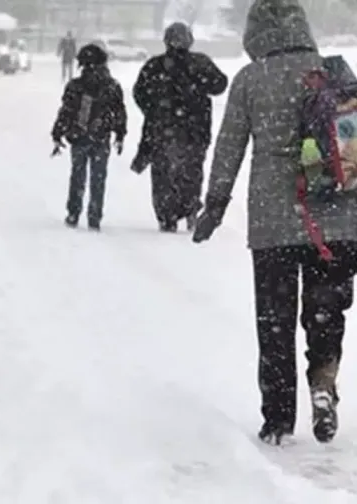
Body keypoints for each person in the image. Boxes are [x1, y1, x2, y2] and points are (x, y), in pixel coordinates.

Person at [192, 0, 357, 446]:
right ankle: (324, 382)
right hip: (338, 220)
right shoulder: (334, 71)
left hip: (273, 222)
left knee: (276, 321)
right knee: (326, 313)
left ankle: (279, 420)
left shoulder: (251, 79)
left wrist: (215, 205)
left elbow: (229, 148)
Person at [132, 22, 227, 232]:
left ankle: (167, 216)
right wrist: (199, 85)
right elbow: (220, 84)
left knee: (163, 175)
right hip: (195, 131)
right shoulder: (200, 63)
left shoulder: (154, 66)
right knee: (191, 173)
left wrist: (155, 110)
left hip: (162, 131)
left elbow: (139, 93)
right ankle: (190, 207)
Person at [51, 43, 127, 231]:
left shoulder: (76, 86)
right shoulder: (112, 86)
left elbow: (66, 111)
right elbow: (119, 112)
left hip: (79, 136)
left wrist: (58, 132)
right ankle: (95, 215)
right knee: (98, 177)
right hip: (101, 137)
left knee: (78, 175)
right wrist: (120, 133)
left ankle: (73, 212)